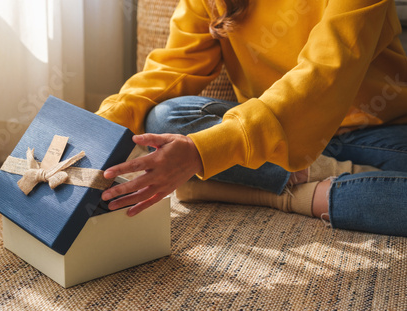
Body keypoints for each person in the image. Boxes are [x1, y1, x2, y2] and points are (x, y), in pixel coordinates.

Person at [97, 0, 407, 237]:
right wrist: (100, 125)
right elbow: (175, 67)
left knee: (198, 146)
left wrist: (200, 153)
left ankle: (273, 192)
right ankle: (311, 178)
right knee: (165, 117)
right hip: (270, 137)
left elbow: (325, 75)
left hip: (375, 133)